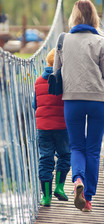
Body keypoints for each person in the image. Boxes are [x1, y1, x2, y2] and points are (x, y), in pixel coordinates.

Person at [53, 0, 104, 212]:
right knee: (93, 150)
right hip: (99, 101)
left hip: (72, 100)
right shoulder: (102, 42)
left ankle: (77, 180)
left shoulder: (63, 40)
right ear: (95, 17)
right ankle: (87, 200)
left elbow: (56, 70)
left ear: (74, 17)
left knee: (76, 146)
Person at [32, 48, 71, 206]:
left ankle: (46, 197)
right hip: (62, 126)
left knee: (45, 159)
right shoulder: (66, 79)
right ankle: (59, 188)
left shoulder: (38, 81)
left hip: (43, 127)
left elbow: (35, 104)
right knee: (65, 156)